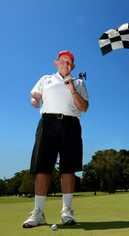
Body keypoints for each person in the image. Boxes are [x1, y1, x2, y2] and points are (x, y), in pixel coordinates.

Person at [22, 50, 89, 228]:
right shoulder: (45, 79)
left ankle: (67, 212)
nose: (65, 65)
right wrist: (34, 100)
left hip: (71, 125)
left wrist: (72, 89)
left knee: (68, 169)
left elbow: (84, 108)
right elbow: (34, 96)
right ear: (56, 63)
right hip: (47, 124)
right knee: (42, 168)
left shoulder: (79, 82)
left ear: (72, 66)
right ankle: (38, 213)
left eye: (69, 63)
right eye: (62, 61)